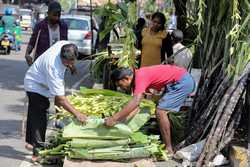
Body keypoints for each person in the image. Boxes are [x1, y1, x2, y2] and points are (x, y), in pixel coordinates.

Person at [105, 65, 195, 154]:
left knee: (160, 112)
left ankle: (169, 148)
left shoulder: (140, 77)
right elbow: (136, 106)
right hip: (177, 81)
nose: (121, 88)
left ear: (126, 78)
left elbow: (136, 101)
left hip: (182, 82)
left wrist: (114, 118)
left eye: (120, 85)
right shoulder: (137, 77)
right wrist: (120, 122)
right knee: (161, 109)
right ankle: (173, 141)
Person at [24, 41, 87, 161]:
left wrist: (71, 66)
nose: (67, 64)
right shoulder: (53, 67)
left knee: (34, 112)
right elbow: (60, 99)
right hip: (35, 85)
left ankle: (30, 142)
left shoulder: (65, 44)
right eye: (65, 62)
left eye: (70, 62)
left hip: (41, 80)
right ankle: (37, 152)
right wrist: (77, 114)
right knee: (40, 116)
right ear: (61, 56)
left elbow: (59, 96)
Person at [25, 1, 68, 66]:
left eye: (59, 15)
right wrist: (27, 54)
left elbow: (65, 45)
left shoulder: (63, 26)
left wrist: (69, 62)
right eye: (54, 15)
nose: (57, 17)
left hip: (58, 64)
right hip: (42, 63)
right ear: (48, 13)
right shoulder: (40, 26)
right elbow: (32, 42)